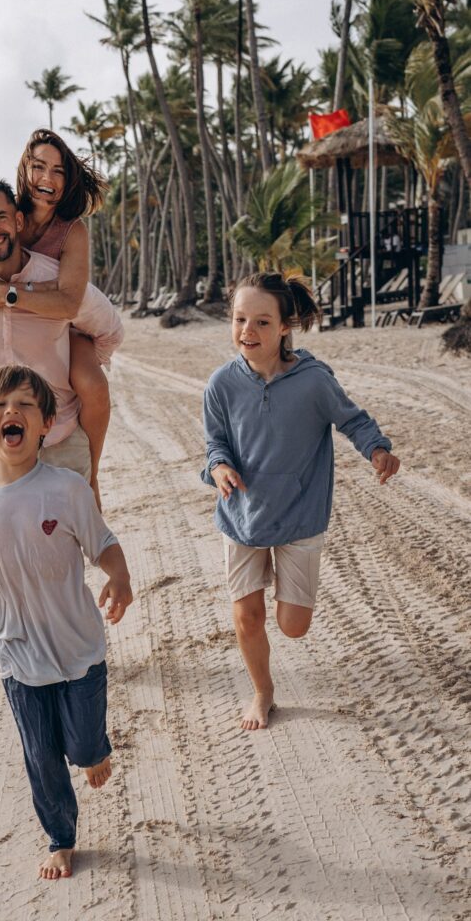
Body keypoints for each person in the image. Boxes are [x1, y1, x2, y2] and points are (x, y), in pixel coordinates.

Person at [0, 365, 133, 880]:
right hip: (15, 648)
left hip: (78, 645)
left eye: (24, 404)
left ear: (46, 424)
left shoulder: (67, 489)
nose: (11, 413)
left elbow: (103, 544)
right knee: (40, 755)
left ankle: (93, 751)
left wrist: (119, 578)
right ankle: (60, 838)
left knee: (83, 744)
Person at [202, 272, 400, 732]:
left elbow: (353, 420)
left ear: (286, 327)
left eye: (262, 322)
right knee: (247, 616)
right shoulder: (220, 385)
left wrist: (377, 448)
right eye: (239, 320)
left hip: (300, 515)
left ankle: (285, 590)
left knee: (293, 625)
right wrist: (219, 467)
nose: (247, 332)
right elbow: (214, 443)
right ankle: (263, 691)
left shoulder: (313, 382)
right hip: (241, 516)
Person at [0, 177, 123, 493]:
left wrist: (77, 349)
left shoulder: (54, 281)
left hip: (60, 433)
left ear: (18, 221)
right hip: (0, 446)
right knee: (1, 534)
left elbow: (110, 331)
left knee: (77, 536)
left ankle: (93, 482)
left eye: (1, 217)